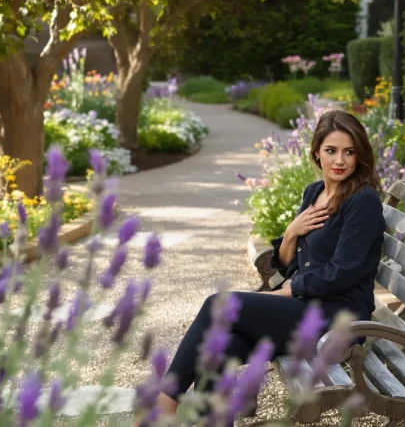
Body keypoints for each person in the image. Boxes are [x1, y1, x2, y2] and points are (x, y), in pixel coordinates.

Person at [148, 109, 386, 421]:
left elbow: (340, 276)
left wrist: (286, 293)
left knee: (217, 305)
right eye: (331, 150)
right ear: (316, 153)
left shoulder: (362, 202)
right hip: (306, 308)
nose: (339, 160)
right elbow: (290, 265)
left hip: (338, 320)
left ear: (359, 155)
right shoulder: (314, 193)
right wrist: (291, 233)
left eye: (349, 152)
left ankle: (162, 408)